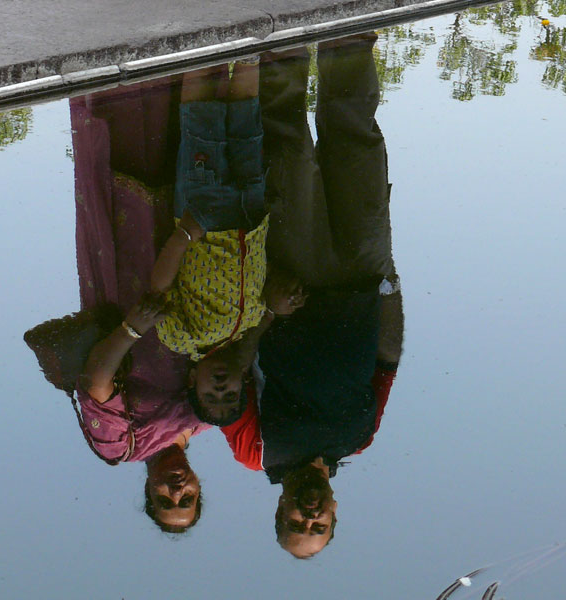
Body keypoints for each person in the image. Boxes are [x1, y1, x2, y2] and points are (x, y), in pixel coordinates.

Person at [221, 34, 404, 557]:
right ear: (334, 513)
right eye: (318, 527)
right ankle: (351, 33)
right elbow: (387, 359)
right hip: (362, 272)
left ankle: (282, 39)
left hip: (292, 275)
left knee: (287, 147)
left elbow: (226, 369)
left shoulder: (256, 452)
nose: (309, 516)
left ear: (280, 510)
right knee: (358, 142)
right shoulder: (359, 438)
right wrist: (389, 278)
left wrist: (265, 308)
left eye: (297, 524)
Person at [52, 81, 211, 533]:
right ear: (199, 486)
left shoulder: (121, 447)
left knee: (125, 176)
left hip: (125, 290)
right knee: (177, 160)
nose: (176, 490)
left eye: (165, 500)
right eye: (187, 498)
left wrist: (132, 329)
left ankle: (110, 75)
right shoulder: (206, 419)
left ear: (148, 492)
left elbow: (96, 384)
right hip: (183, 274)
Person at [149, 59, 307, 427]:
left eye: (211, 395)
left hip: (204, 216)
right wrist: (284, 301)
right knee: (245, 127)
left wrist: (183, 235)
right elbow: (265, 279)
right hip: (249, 211)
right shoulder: (249, 323)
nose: (221, 388)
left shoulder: (182, 339)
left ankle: (200, 50)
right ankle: (246, 50)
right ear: (243, 381)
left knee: (201, 127)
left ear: (193, 380)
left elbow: (158, 289)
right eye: (231, 394)